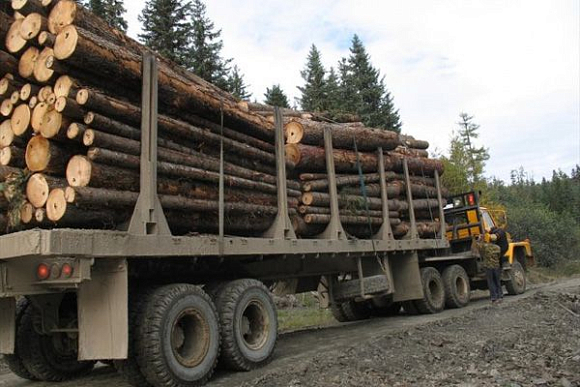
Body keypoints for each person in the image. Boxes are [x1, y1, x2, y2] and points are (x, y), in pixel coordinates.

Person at [473, 234, 503, 304]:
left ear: (489, 239)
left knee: (491, 282)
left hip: (488, 267)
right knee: (497, 281)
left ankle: (494, 298)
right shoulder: (498, 248)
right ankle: (500, 296)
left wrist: (479, 239)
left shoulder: (486, 247)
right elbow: (499, 256)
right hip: (496, 266)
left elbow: (478, 247)